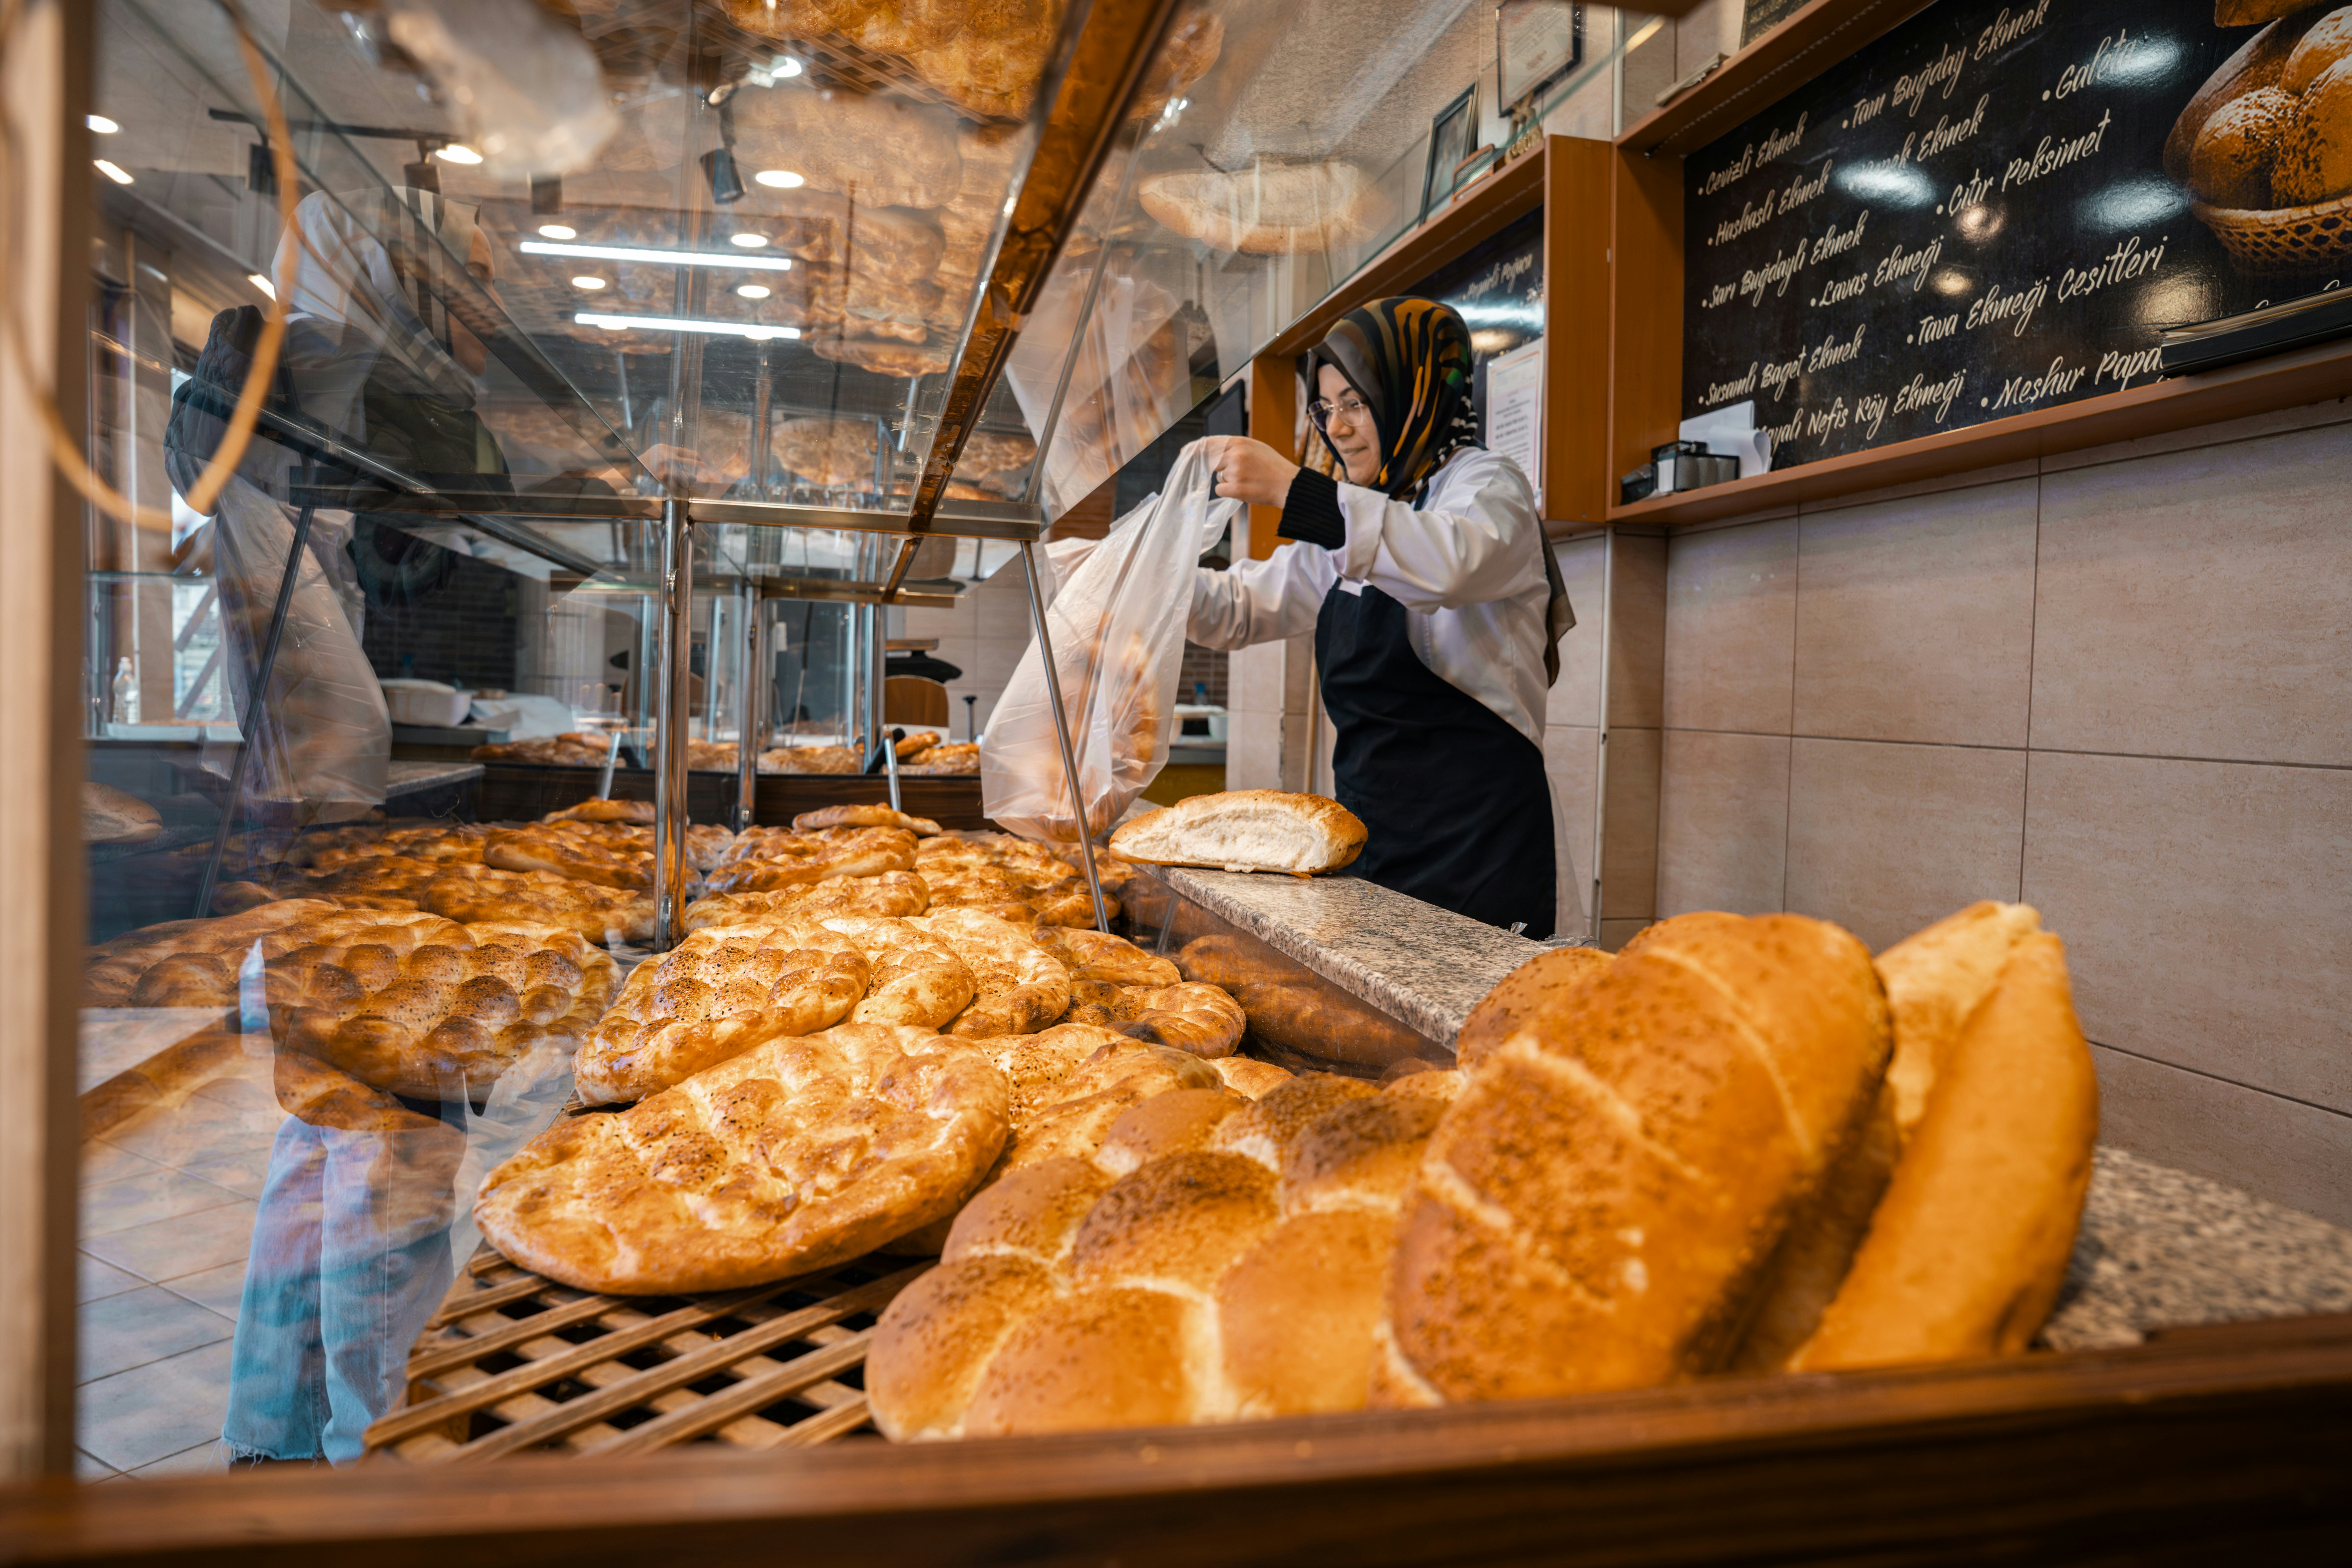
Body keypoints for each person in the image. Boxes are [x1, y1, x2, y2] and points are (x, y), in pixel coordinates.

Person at [1189, 297, 1574, 939]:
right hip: (1374, 834)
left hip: (1478, 843)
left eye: (1356, 403)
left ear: (1415, 391)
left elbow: (1449, 562)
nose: (1336, 428)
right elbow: (1240, 608)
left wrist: (1290, 487)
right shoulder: (1361, 513)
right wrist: (1131, 576)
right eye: (1326, 407)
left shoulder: (1488, 487)